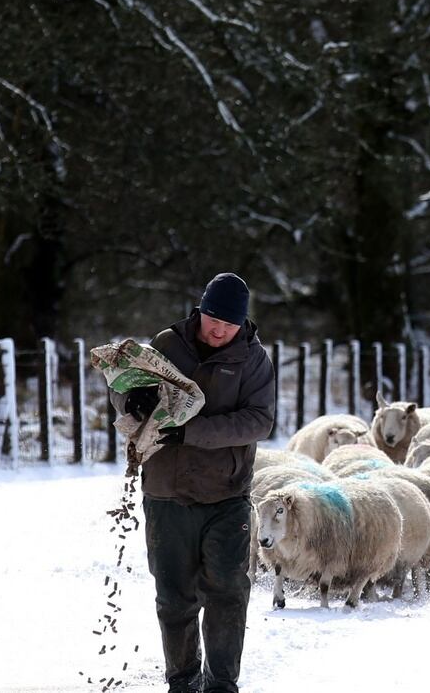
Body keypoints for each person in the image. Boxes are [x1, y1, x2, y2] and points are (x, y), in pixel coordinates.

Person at [117, 272, 274, 693]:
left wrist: (191, 430)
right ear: (200, 310)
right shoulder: (168, 345)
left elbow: (259, 420)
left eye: (229, 323)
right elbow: (126, 383)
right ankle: (182, 681)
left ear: (243, 323)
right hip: (166, 492)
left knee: (226, 590)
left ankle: (222, 684)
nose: (218, 329)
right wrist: (130, 400)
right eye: (212, 318)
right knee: (174, 596)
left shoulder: (253, 361)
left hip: (226, 493)